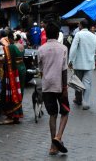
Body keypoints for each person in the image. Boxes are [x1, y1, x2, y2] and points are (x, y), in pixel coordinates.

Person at [38, 21, 69, 155]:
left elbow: (40, 69)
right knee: (65, 112)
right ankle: (58, 137)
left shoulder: (41, 49)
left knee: (52, 114)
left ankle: (53, 146)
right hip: (59, 85)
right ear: (57, 35)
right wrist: (65, 87)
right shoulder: (63, 48)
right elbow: (64, 70)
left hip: (46, 85)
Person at [69, 19, 96, 110]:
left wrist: (70, 60)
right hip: (89, 63)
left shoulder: (78, 34)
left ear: (80, 26)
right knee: (87, 83)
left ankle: (78, 100)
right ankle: (86, 102)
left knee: (78, 82)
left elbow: (73, 48)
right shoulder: (94, 36)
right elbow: (95, 50)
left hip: (79, 63)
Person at [0, 31, 26, 125]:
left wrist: (1, 59)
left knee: (11, 91)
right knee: (19, 92)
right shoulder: (21, 46)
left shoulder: (10, 47)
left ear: (10, 38)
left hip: (14, 72)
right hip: (22, 69)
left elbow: (7, 60)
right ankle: (17, 115)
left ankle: (11, 116)